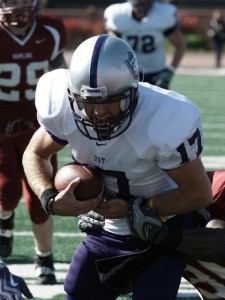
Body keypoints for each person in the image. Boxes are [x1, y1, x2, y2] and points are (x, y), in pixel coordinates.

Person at [22, 34, 212, 300]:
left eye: (109, 101)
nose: (98, 112)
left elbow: (198, 194)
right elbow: (34, 153)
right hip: (105, 229)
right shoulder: (62, 107)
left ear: (133, 90)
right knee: (77, 294)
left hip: (160, 229)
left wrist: (138, 208)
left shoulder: (162, 118)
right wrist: (49, 198)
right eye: (88, 102)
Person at [78, 169, 225, 300]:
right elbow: (127, 284)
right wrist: (110, 233)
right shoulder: (172, 206)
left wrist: (162, 235)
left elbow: (217, 245)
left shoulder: (213, 191)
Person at [0, 0, 67, 285]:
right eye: (11, 2)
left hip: (40, 125)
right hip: (1, 125)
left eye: (24, 1)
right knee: (6, 191)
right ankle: (4, 221)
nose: (19, 9)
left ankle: (45, 257)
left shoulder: (51, 30)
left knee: (42, 199)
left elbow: (61, 76)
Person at [103, 0, 186, 89]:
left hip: (156, 72)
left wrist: (170, 71)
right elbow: (110, 47)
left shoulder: (164, 14)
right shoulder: (118, 14)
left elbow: (180, 45)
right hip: (127, 72)